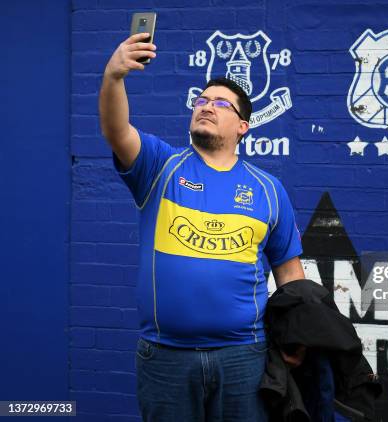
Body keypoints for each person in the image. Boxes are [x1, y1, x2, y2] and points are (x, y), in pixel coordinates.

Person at [99, 32, 306, 422]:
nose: (207, 106)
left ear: (243, 126)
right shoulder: (159, 166)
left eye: (220, 103)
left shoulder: (268, 189)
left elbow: (290, 272)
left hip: (244, 357)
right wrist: (114, 77)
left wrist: (296, 335)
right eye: (201, 100)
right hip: (166, 358)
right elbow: (116, 131)